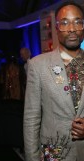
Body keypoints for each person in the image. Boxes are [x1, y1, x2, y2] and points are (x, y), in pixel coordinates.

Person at [24, 1, 84, 161]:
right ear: (56, 28)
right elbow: (31, 118)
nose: (72, 29)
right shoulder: (37, 65)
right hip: (55, 153)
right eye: (64, 23)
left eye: (78, 22)